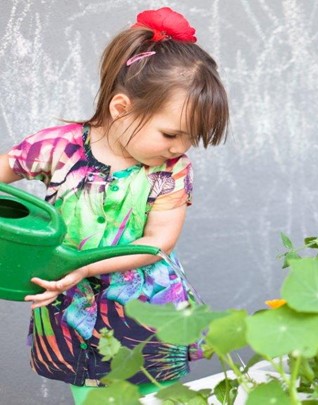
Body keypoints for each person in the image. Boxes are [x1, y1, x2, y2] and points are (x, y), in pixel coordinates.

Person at [0, 7, 229, 403]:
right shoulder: (58, 147)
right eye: (170, 133)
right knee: (91, 395)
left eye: (191, 138)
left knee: (154, 395)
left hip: (147, 312)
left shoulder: (171, 170)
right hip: (70, 307)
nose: (179, 148)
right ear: (121, 108)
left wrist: (84, 266)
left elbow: (158, 242)